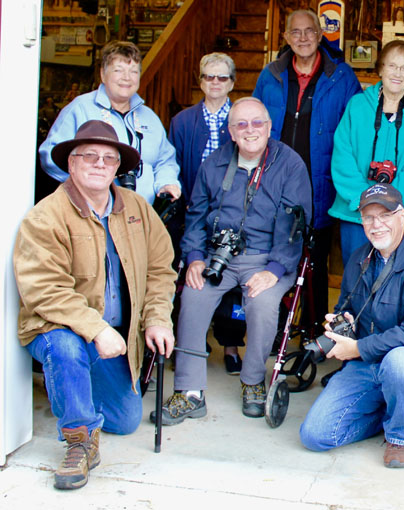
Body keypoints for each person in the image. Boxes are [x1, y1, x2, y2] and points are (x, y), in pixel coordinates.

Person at [14, 120, 176, 490]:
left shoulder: (136, 207)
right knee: (65, 347)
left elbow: (160, 269)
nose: (99, 164)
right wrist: (97, 328)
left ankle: (72, 387)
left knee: (125, 421)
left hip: (113, 336)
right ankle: (79, 440)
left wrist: (156, 319)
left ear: (118, 167)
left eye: (109, 157)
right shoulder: (46, 216)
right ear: (70, 164)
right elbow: (45, 290)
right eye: (88, 156)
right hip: (61, 328)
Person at [155, 98, 312, 423]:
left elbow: (296, 223)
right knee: (194, 297)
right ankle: (189, 391)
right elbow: (196, 214)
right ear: (230, 130)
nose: (250, 130)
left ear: (270, 127)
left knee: (263, 303)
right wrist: (195, 257)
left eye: (257, 123)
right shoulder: (214, 162)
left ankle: (253, 381)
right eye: (241, 124)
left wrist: (274, 270)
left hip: (267, 257)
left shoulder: (289, 164)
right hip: (218, 255)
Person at [300, 183, 404, 469]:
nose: (376, 225)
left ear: (402, 216)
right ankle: (390, 411)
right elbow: (345, 308)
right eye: (368, 217)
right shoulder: (358, 258)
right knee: (315, 435)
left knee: (399, 361)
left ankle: (400, 438)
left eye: (385, 215)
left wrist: (357, 347)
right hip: (366, 365)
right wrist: (341, 323)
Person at [253, 9, 361, 326]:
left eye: (310, 31)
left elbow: (355, 128)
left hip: (321, 182)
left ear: (320, 35)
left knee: (314, 259)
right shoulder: (269, 75)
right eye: (296, 32)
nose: (303, 38)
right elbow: (256, 122)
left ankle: (312, 327)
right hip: (275, 180)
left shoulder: (341, 76)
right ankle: (274, 327)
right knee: (274, 252)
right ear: (286, 37)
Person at [168, 52, 245, 374]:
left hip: (234, 213)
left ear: (232, 82)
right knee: (187, 280)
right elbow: (173, 167)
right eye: (209, 77)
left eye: (222, 77)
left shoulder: (242, 120)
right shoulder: (183, 121)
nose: (215, 83)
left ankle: (230, 345)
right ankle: (189, 342)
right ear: (200, 81)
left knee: (233, 283)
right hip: (194, 213)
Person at [329, 39, 404, 264]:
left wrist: (390, 202)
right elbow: (342, 155)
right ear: (380, 69)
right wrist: (365, 200)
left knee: (402, 281)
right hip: (357, 212)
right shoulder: (357, 105)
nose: (398, 73)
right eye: (392, 65)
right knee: (358, 279)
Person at [39, 40, 181, 205]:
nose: (126, 78)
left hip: (141, 214)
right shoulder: (80, 108)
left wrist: (166, 183)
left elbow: (166, 160)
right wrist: (85, 185)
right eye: (118, 70)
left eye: (133, 71)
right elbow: (50, 155)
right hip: (89, 212)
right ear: (102, 74)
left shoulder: (150, 117)